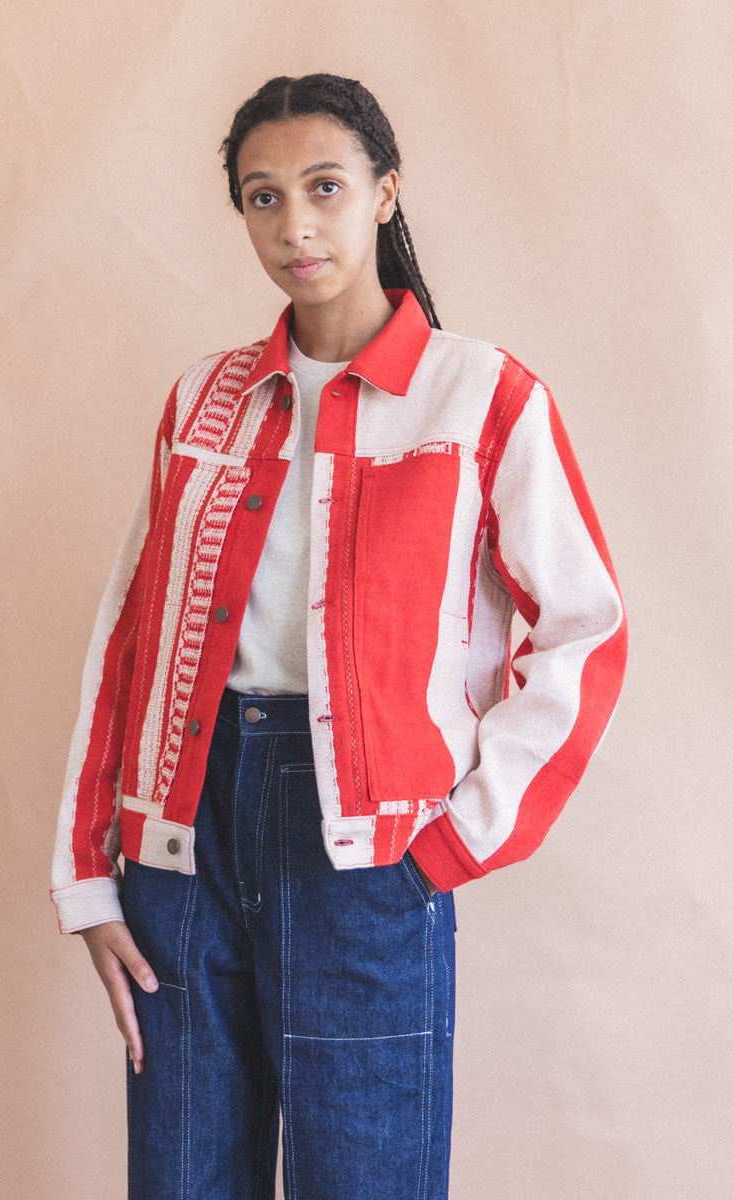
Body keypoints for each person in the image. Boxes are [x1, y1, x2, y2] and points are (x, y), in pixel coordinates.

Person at [51, 73, 627, 1200]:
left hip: (366, 856)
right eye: (261, 198)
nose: (294, 224)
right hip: (181, 844)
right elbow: (129, 638)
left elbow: (582, 634)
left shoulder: (480, 397)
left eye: (322, 186)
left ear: (382, 192)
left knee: (364, 1180)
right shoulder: (203, 400)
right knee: (179, 1179)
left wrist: (449, 846)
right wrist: (88, 876)